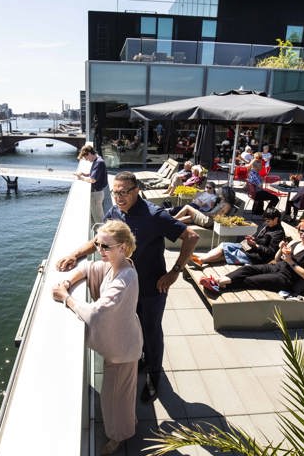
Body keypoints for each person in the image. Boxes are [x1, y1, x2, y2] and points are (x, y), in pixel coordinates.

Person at [56, 172, 199, 403]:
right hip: (126, 286)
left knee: (152, 332)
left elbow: (190, 236)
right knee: (135, 326)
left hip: (153, 288)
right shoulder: (116, 212)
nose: (119, 197)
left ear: (136, 190)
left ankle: (154, 378)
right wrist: (74, 254)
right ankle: (143, 359)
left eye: (124, 192)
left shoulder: (154, 215)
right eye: (115, 192)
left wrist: (175, 273)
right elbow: (99, 241)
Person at [52, 220, 143, 454]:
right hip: (126, 341)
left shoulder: (123, 280)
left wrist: (66, 297)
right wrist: (68, 280)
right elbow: (89, 269)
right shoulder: (116, 264)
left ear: (123, 247)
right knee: (123, 393)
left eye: (105, 246)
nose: (99, 250)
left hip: (122, 350)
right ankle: (127, 424)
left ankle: (119, 436)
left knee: (114, 400)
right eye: (98, 244)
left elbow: (96, 312)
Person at [203, 218, 304, 294]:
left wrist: (290, 261)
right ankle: (219, 280)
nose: (303, 234)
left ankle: (219, 286)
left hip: (285, 279)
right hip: (276, 267)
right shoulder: (295, 243)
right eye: (301, 231)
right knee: (247, 268)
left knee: (251, 280)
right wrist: (281, 249)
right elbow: (276, 259)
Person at [191, 207, 284, 266]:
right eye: (265, 220)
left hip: (256, 256)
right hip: (249, 248)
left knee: (225, 253)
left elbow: (270, 252)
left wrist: (255, 245)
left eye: (268, 221)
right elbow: (258, 237)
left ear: (276, 219)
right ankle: (201, 259)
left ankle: (200, 259)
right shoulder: (268, 226)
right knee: (223, 245)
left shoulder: (278, 233)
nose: (266, 223)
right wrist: (252, 239)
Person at [76, 144, 109, 224]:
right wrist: (84, 174)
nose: (87, 160)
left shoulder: (98, 163)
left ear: (89, 154)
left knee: (99, 219)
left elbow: (93, 180)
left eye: (86, 158)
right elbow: (94, 175)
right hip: (97, 193)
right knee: (97, 217)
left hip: (96, 194)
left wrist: (81, 178)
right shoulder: (97, 160)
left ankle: (103, 235)